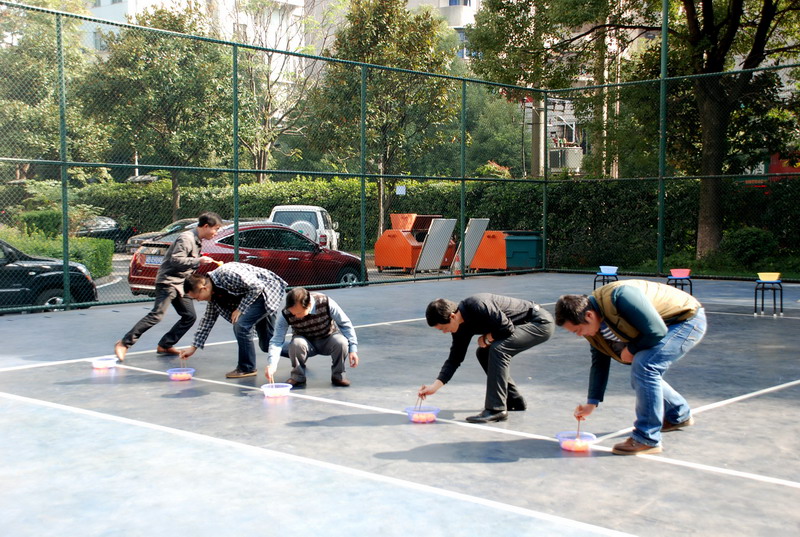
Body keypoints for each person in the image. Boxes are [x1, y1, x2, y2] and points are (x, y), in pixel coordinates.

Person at [554, 279, 707, 455]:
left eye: (577, 330)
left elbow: (657, 330)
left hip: (686, 320)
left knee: (645, 366)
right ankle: (679, 414)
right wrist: (592, 403)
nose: (579, 335)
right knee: (642, 369)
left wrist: (632, 349)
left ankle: (647, 439)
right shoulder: (593, 329)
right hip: (664, 325)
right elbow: (599, 362)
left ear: (588, 315)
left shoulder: (620, 297)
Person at [418, 293, 554, 423]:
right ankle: (514, 400)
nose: (444, 332)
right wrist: (434, 387)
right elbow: (455, 359)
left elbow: (507, 328)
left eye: (443, 328)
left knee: (498, 349)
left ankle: (496, 409)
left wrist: (487, 338)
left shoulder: (477, 305)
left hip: (539, 322)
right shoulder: (460, 328)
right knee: (483, 353)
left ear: (452, 316)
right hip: (522, 325)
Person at [114, 212, 222, 361]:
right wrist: (199, 260)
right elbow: (176, 260)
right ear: (205, 226)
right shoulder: (186, 238)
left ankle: (165, 345)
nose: (216, 233)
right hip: (168, 282)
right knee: (157, 315)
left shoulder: (197, 240)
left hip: (182, 283)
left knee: (189, 316)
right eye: (216, 229)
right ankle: (124, 343)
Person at [179, 262, 287, 378]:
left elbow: (257, 286)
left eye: (197, 298)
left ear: (203, 288)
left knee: (241, 325)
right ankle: (298, 351)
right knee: (267, 343)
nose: (198, 301)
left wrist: (240, 309)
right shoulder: (214, 298)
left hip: (267, 291)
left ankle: (246, 368)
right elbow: (207, 321)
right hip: (254, 298)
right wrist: (193, 348)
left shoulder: (226, 273)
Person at [266, 287, 359, 387]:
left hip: (328, 338)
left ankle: (338, 376)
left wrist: (352, 349)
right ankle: (298, 377)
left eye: (299, 313)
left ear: (309, 305)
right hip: (305, 343)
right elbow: (277, 340)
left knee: (341, 342)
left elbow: (345, 324)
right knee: (296, 343)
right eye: (293, 313)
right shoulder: (286, 313)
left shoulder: (325, 302)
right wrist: (272, 364)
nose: (296, 316)